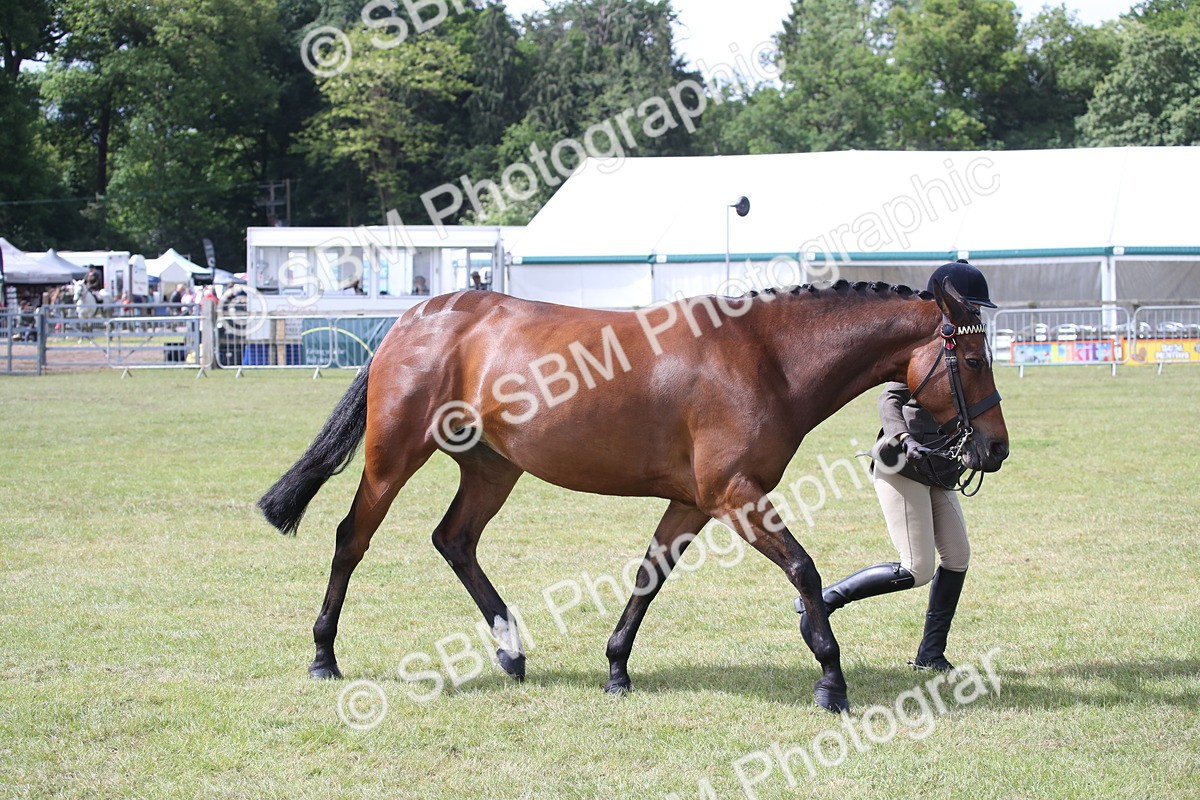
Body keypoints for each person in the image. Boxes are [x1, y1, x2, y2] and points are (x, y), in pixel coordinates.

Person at [795, 260, 998, 673]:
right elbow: (889, 399)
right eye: (970, 305)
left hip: (940, 467)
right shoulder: (923, 344)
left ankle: (930, 654)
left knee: (957, 556)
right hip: (903, 464)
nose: (974, 313)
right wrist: (904, 438)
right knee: (916, 568)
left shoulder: (967, 342)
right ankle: (825, 599)